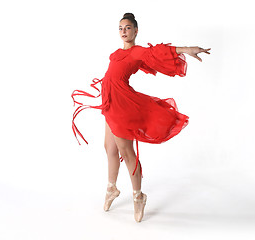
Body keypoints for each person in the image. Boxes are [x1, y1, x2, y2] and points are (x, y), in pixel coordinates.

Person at [71, 13, 211, 222]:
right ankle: (112, 188)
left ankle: (138, 196)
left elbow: (158, 51)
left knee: (126, 152)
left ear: (136, 31)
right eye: (120, 28)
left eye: (127, 28)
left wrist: (185, 49)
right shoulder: (116, 53)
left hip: (122, 106)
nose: (123, 31)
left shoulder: (138, 52)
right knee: (109, 148)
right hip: (110, 103)